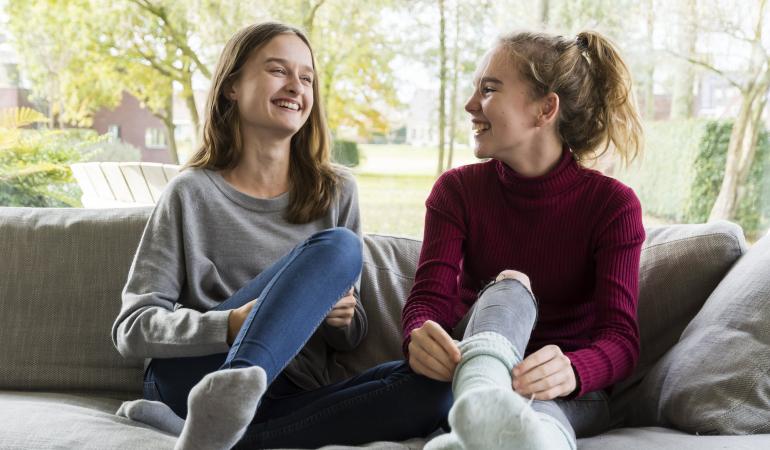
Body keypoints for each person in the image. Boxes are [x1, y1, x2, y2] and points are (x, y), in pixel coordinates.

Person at [112, 22, 449, 450]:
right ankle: (233, 387)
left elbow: (352, 334)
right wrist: (232, 325)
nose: (296, 86)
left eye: (306, 78)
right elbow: (133, 328)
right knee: (340, 247)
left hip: (290, 391)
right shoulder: (190, 193)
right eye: (278, 71)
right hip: (197, 376)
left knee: (436, 390)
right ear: (232, 85)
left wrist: (341, 319)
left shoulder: (337, 192)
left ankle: (201, 432)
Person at [402, 30, 646, 450]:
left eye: (489, 89)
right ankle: (483, 398)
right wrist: (418, 334)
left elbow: (620, 340)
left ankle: (480, 433)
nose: (471, 105)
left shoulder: (613, 206)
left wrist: (571, 369)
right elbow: (428, 302)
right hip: (472, 367)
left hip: (564, 392)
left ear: (544, 109)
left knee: (539, 420)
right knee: (512, 286)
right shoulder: (456, 191)